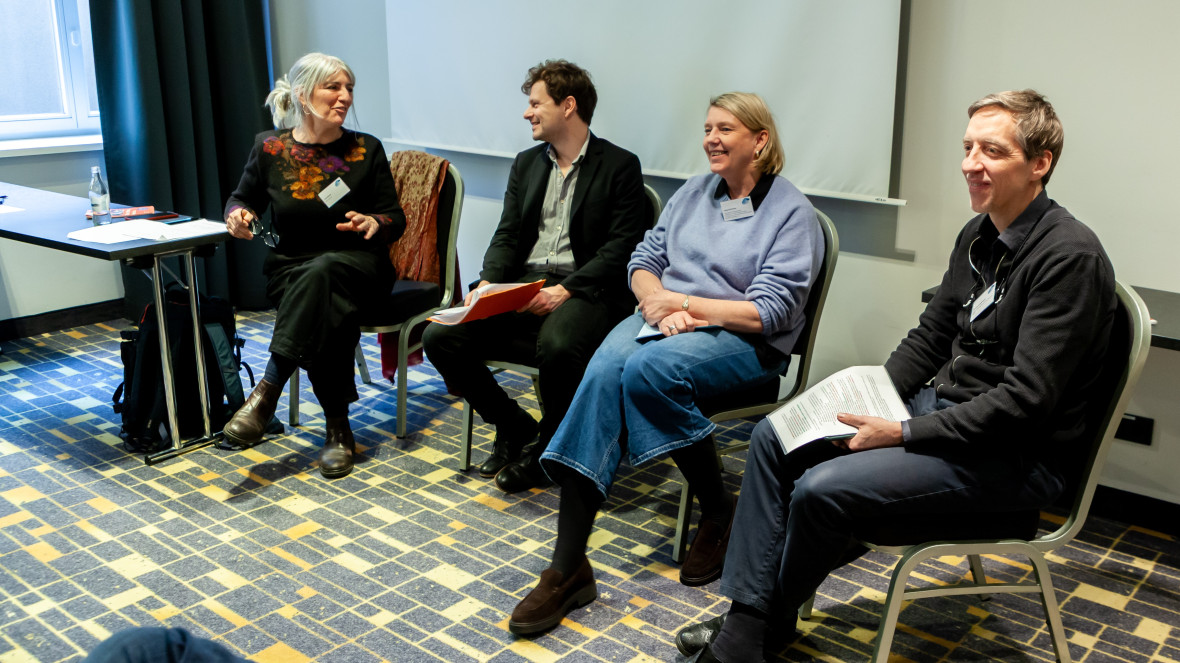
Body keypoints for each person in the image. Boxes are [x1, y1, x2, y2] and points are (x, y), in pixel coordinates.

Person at [675, 90, 1117, 663]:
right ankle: (752, 624)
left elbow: (1025, 402)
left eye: (991, 151)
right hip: (943, 416)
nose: (970, 163)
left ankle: (749, 631)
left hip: (1012, 458)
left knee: (821, 491)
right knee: (775, 437)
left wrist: (901, 433)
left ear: (1040, 163)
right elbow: (931, 335)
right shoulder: (980, 234)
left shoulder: (1069, 257)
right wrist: (867, 396)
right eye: (966, 148)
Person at [507, 92, 823, 636]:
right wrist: (656, 299)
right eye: (707, 128)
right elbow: (644, 258)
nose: (711, 139)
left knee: (647, 373)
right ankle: (568, 566)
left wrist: (683, 305)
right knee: (604, 371)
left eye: (726, 129)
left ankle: (719, 507)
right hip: (665, 319)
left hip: (743, 342)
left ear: (760, 141)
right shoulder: (693, 193)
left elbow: (769, 312)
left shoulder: (792, 213)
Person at [421, 60, 647, 492]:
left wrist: (565, 290)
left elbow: (621, 249)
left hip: (586, 289)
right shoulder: (526, 164)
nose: (527, 113)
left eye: (535, 103)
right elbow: (507, 234)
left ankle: (551, 449)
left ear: (568, 106)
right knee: (440, 337)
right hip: (525, 284)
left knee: (560, 345)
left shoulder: (619, 165)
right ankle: (517, 426)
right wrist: (488, 283)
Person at [221, 52, 406, 479]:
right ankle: (339, 431)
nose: (344, 97)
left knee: (325, 276)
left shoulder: (366, 149)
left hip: (361, 266)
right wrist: (238, 216)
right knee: (324, 301)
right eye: (333, 88)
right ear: (303, 95)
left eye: (348, 89)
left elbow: (395, 218)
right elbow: (241, 198)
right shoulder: (269, 147)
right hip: (291, 266)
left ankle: (267, 390)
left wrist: (372, 221)